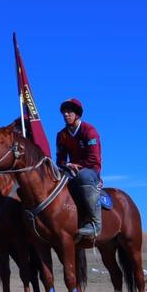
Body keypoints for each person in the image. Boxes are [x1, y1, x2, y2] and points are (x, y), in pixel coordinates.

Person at [56, 98, 103, 239]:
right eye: (64, 112)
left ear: (77, 114)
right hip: (71, 171)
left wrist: (78, 166)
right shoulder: (61, 135)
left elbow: (94, 159)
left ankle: (95, 224)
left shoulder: (89, 131)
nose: (65, 114)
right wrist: (67, 165)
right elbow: (60, 159)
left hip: (91, 171)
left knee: (84, 176)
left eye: (69, 112)